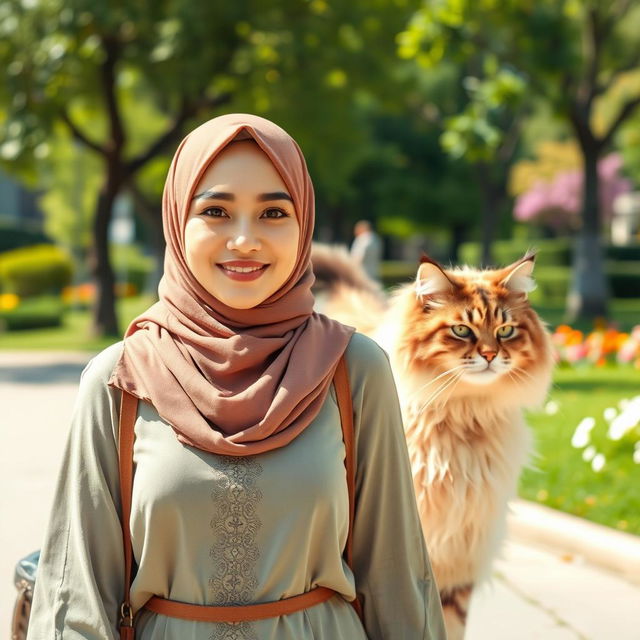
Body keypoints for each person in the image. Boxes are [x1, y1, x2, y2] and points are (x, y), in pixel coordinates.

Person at [27, 114, 446, 639]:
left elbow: (396, 574)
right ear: (179, 222)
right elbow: (76, 592)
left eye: (273, 211)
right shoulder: (119, 380)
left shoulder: (353, 368)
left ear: (304, 224)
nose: (245, 239)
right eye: (216, 211)